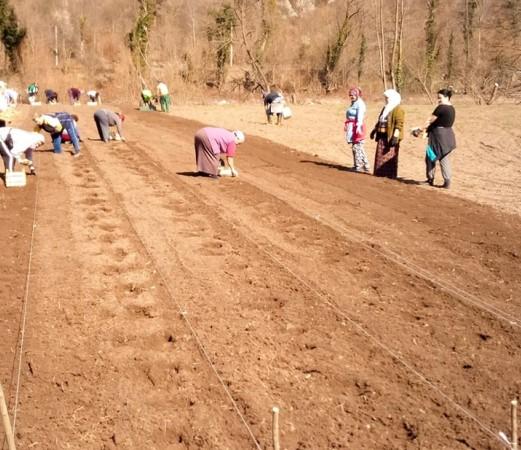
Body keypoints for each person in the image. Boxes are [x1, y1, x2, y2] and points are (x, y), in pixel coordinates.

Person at [423, 88, 456, 189]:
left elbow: (430, 120)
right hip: (448, 135)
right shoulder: (452, 108)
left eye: (440, 98)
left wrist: (420, 129)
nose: (438, 100)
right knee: (444, 157)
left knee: (430, 156)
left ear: (446, 97)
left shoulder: (441, 108)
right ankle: (447, 181)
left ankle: (430, 178)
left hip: (438, 136)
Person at [370, 89, 405, 179]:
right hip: (382, 136)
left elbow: (399, 124)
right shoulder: (385, 108)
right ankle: (379, 173)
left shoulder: (398, 109)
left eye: (388, 98)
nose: (386, 100)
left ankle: (390, 176)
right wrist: (374, 130)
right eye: (386, 98)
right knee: (380, 155)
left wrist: (395, 136)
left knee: (390, 156)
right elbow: (380, 120)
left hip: (391, 137)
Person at [344, 87, 370, 173]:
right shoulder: (353, 103)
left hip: (358, 126)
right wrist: (347, 125)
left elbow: (360, 116)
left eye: (353, 95)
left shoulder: (360, 104)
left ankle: (360, 166)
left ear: (357, 95)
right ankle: (362, 165)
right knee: (355, 147)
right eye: (350, 95)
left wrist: (358, 127)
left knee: (358, 146)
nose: (351, 96)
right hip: (352, 125)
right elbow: (349, 115)